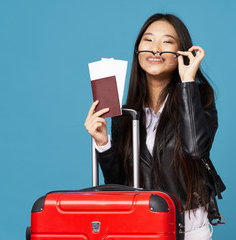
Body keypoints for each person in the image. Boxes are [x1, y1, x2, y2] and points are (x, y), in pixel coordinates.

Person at [85, 13, 222, 240]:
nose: (156, 49)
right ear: (138, 50)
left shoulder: (199, 97)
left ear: (181, 51)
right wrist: (103, 144)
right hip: (139, 225)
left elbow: (196, 149)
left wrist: (187, 81)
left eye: (167, 42)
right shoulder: (126, 111)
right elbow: (120, 185)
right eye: (148, 40)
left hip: (187, 229)